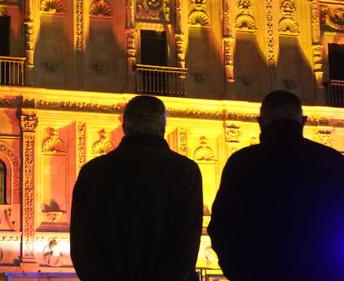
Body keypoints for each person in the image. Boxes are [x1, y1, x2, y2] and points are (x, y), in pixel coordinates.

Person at [208, 90, 344, 281]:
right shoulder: (332, 161)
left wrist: (238, 272)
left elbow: (222, 226)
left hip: (259, 272)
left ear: (260, 123)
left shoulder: (242, 162)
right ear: (303, 122)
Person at [70, 95, 203, 281]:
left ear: (124, 126)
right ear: (163, 127)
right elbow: (186, 244)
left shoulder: (93, 172)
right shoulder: (185, 171)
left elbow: (83, 246)